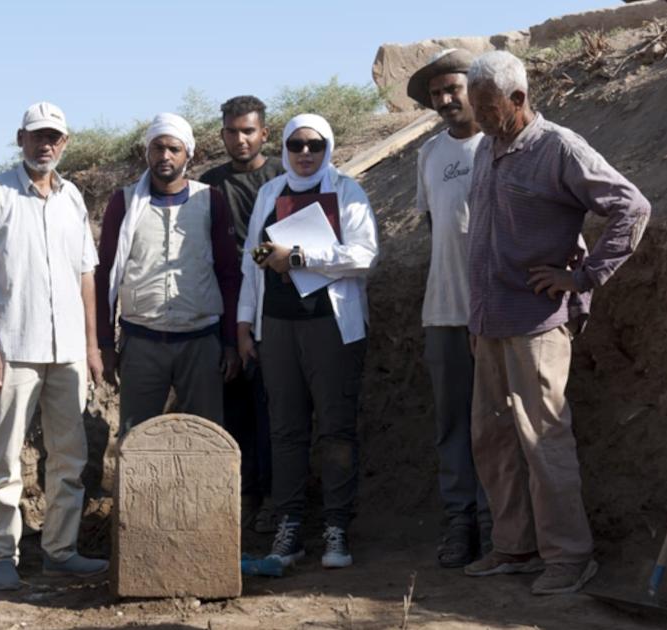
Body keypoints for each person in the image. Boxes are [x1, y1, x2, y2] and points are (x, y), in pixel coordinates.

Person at [461, 51, 650, 595]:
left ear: (518, 100)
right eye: (475, 105)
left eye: (486, 106)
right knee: (492, 438)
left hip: (537, 324)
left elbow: (632, 208)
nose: (477, 115)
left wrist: (584, 277)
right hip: (490, 322)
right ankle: (515, 547)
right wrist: (477, 318)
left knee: (543, 439)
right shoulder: (486, 149)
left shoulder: (558, 148)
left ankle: (570, 556)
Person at [0, 102, 108, 591]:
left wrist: (92, 345)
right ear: (20, 139)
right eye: (37, 136)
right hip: (14, 346)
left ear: (65, 142)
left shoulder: (73, 198)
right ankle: (2, 553)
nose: (46, 145)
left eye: (54, 138)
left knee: (69, 457)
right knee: (5, 454)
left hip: (68, 354)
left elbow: (86, 274)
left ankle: (60, 551)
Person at [237, 114, 378, 570]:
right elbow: (251, 262)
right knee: (285, 430)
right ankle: (290, 524)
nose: (304, 154)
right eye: (295, 144)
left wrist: (298, 255)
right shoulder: (269, 193)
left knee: (336, 427)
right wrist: (245, 324)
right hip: (277, 325)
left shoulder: (346, 190)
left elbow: (364, 255)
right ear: (283, 146)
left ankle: (337, 526)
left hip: (331, 327)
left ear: (328, 147)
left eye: (314, 145)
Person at [96, 112, 241, 432]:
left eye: (174, 149)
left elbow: (229, 275)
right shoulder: (124, 202)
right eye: (157, 148)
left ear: (188, 153)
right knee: (136, 439)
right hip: (141, 342)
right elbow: (106, 273)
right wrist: (105, 345)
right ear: (146, 152)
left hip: (201, 342)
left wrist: (230, 342)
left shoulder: (210, 200)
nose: (165, 156)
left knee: (205, 439)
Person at [406, 49, 493, 568]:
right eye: (437, 93)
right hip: (443, 310)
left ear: (475, 88)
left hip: (499, 313)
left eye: (452, 88)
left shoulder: (504, 146)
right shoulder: (429, 155)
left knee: (497, 423)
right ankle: (461, 524)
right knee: (453, 424)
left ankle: (496, 525)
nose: (445, 99)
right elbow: (435, 227)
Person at [200, 96, 283, 534]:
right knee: (233, 409)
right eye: (232, 132)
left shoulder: (284, 179)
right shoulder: (209, 185)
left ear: (264, 133)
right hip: (223, 308)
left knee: (272, 409)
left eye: (248, 130)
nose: (240, 139)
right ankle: (243, 497)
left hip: (275, 306)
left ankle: (274, 498)